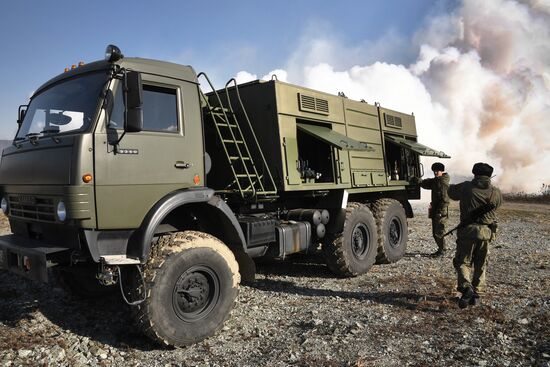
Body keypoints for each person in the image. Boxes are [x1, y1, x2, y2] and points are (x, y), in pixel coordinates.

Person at [448, 162, 502, 308]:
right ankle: (477, 293)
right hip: (486, 232)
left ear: (475, 174)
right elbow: (497, 205)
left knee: (462, 262)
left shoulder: (466, 187)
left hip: (468, 231)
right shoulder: (495, 192)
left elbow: (451, 193)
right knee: (481, 263)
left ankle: (467, 288)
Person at [419, 162, 450, 257]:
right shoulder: (437, 180)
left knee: (439, 231)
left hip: (440, 212)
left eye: (437, 171)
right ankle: (441, 249)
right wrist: (419, 181)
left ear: (442, 171)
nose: (436, 173)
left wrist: (440, 212)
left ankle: (442, 250)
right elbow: (427, 183)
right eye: (434, 171)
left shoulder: (442, 182)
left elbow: (445, 200)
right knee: (436, 232)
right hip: (436, 210)